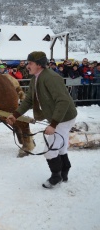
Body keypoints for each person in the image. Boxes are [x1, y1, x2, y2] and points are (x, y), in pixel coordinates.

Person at [6, 51, 77, 189]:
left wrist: (54, 124)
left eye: (30, 63)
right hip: (59, 118)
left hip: (63, 118)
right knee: (60, 147)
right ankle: (64, 171)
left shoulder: (51, 78)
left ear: (39, 65)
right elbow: (29, 100)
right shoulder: (35, 78)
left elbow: (63, 101)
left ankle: (56, 176)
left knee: (50, 150)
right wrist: (15, 115)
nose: (27, 66)